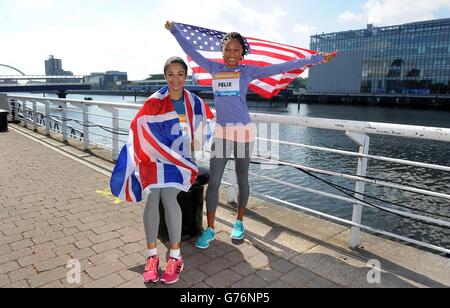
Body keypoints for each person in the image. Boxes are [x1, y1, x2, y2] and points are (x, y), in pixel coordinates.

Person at [166, 21, 335, 250]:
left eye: (237, 49)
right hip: (223, 132)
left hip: (243, 131)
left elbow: (283, 66)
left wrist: (315, 59)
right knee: (214, 182)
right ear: (222, 51)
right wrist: (175, 30)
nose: (232, 53)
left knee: (242, 177)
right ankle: (211, 229)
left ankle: (239, 222)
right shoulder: (214, 68)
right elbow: (190, 52)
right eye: (228, 49)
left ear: (242, 52)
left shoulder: (248, 71)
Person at [111, 57, 213, 284]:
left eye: (180, 74)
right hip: (154, 160)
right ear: (165, 76)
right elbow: (139, 129)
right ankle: (152, 257)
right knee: (151, 195)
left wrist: (191, 140)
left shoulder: (194, 103)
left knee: (168, 196)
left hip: (181, 161)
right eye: (170, 74)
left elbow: (203, 133)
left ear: (186, 77)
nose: (175, 79)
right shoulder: (153, 102)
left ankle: (175, 256)